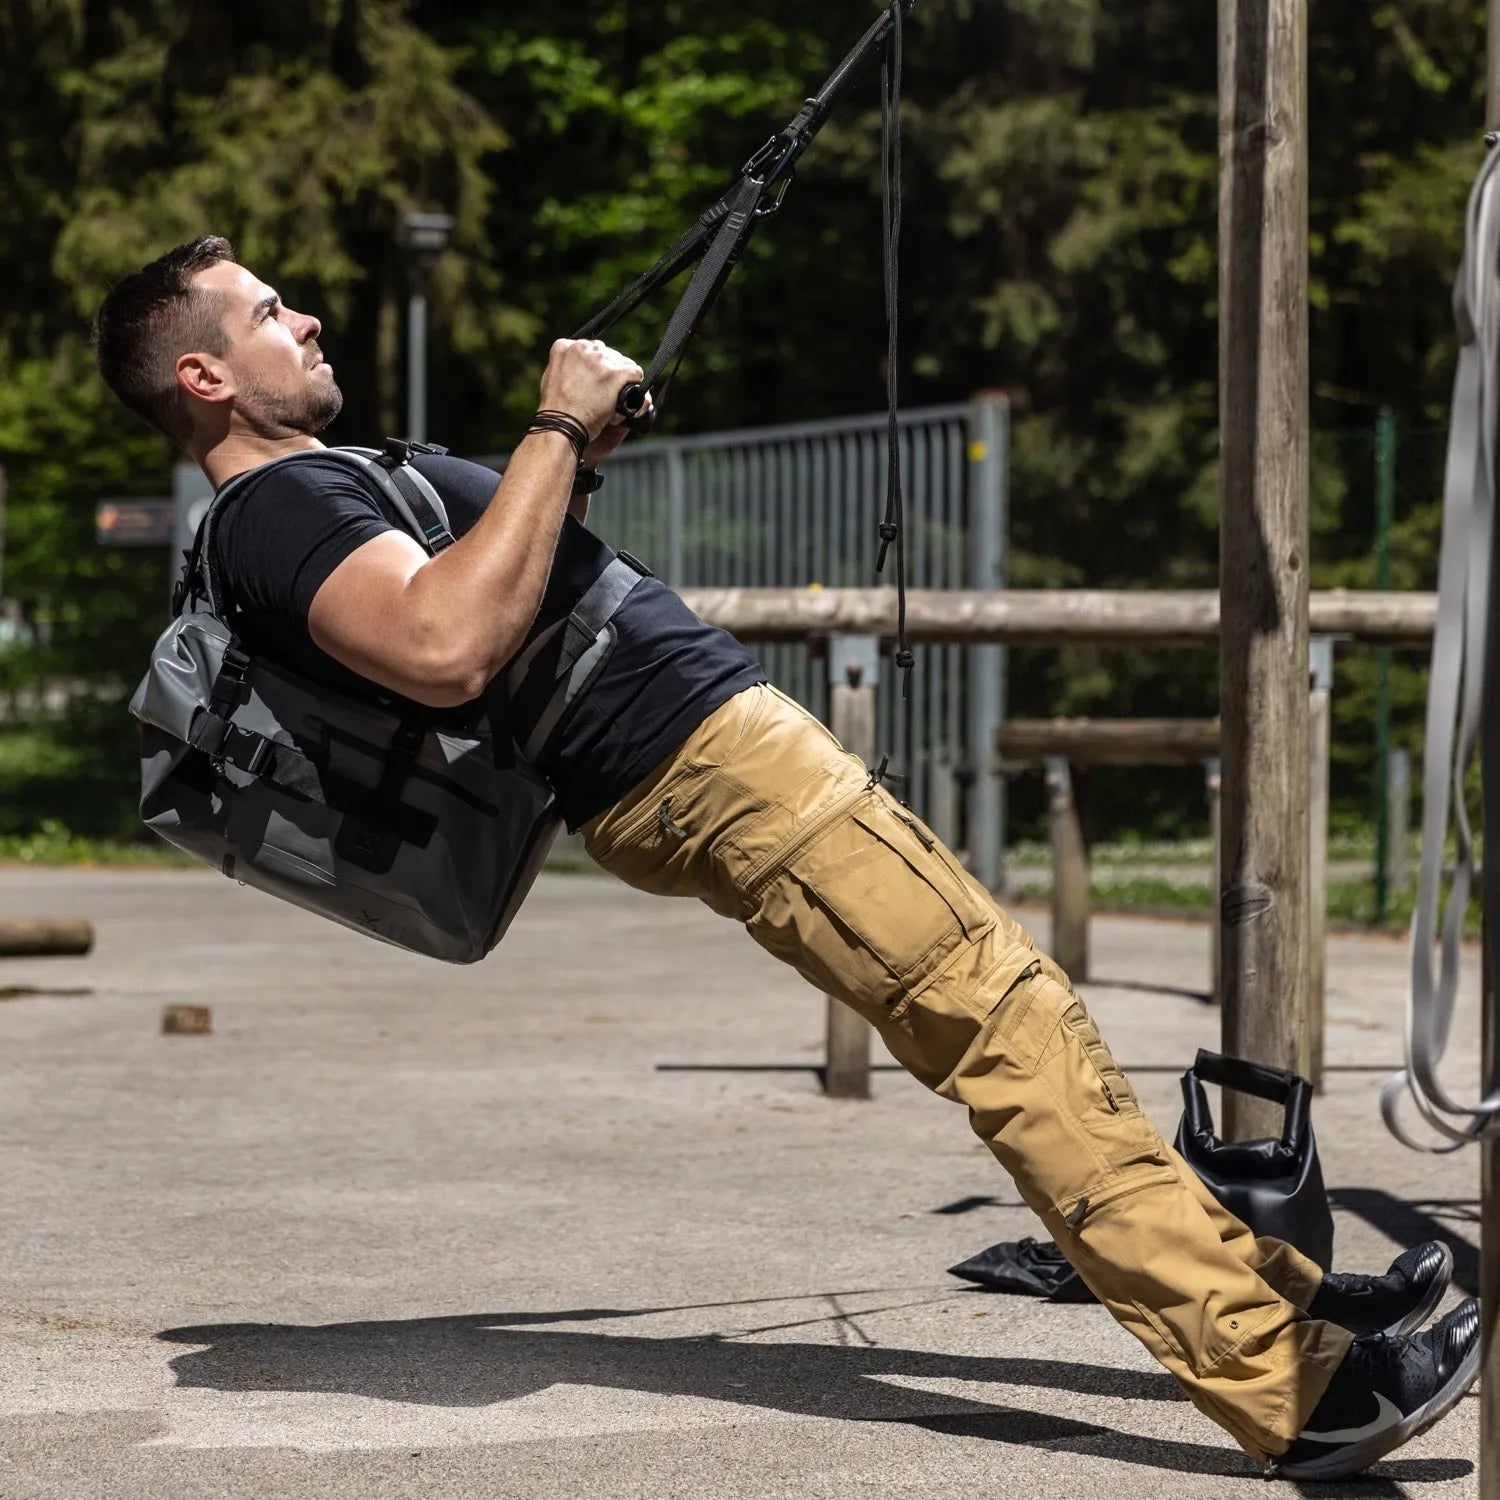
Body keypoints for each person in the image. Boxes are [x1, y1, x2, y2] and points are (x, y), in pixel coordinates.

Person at [94, 236, 1479, 1481]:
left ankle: (1273, 1299)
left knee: (1020, 1016)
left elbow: (498, 599)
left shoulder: (317, 487)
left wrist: (578, 450)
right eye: (272, 313)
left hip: (714, 762)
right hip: (707, 774)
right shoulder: (274, 512)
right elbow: (445, 646)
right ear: (206, 375)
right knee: (1011, 1029)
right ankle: (1295, 1394)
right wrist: (555, 420)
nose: (313, 320)